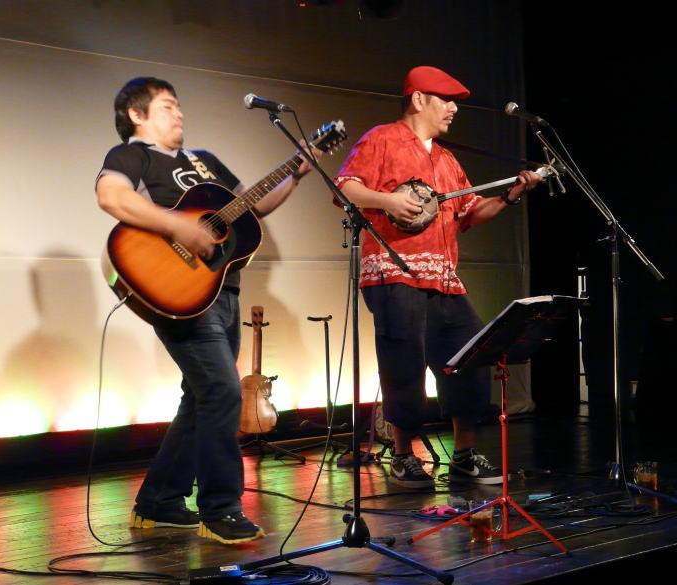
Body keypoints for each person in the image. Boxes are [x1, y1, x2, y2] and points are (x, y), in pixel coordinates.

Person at [95, 77, 313, 543]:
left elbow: (253, 206)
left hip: (222, 290)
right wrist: (177, 226)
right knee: (222, 391)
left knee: (200, 398)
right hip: (179, 292)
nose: (179, 114)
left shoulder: (204, 161)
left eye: (179, 106)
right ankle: (221, 509)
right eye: (167, 106)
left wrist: (294, 173)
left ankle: (158, 502)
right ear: (137, 115)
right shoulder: (132, 156)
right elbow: (111, 196)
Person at [334, 66, 540, 488]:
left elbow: (469, 213)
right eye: (445, 100)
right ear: (418, 100)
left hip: (443, 278)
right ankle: (403, 454)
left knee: (470, 358)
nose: (453, 109)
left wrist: (510, 195)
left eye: (454, 103)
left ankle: (463, 454)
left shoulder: (446, 159)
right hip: (394, 271)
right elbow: (345, 187)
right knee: (404, 364)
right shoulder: (381, 139)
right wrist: (387, 200)